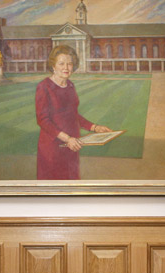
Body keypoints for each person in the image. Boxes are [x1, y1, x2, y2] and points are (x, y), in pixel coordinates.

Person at [35, 45, 112, 179]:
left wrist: (94, 127)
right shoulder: (44, 87)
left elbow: (73, 115)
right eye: (61, 63)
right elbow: (43, 120)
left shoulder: (70, 86)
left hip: (72, 146)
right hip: (52, 149)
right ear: (53, 66)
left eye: (70, 64)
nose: (66, 67)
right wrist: (67, 138)